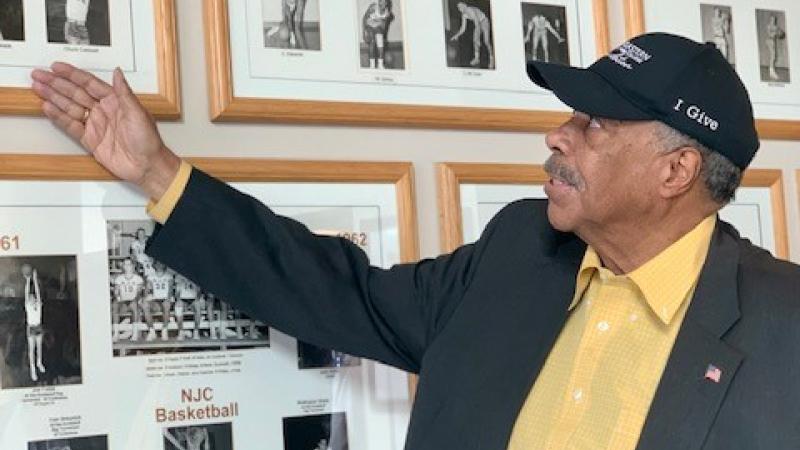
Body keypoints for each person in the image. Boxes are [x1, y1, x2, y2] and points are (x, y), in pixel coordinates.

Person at [31, 32, 800, 449]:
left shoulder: (783, 326)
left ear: (677, 170)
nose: (557, 135)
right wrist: (159, 172)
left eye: (593, 123)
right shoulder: (520, 250)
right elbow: (341, 293)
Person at [450, 2, 494, 69]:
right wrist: (456, 35)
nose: (459, 9)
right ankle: (477, 58)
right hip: (478, 24)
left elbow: (477, 24)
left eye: (460, 7)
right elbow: (463, 28)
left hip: (484, 21)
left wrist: (477, 38)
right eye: (458, 8)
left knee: (486, 41)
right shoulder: (464, 15)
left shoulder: (469, 10)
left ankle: (492, 58)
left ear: (464, 6)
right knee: (475, 40)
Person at [22, 264, 45, 382]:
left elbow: (38, 292)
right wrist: (28, 281)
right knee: (32, 349)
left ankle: (39, 363)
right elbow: (26, 293)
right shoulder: (28, 307)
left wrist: (35, 280)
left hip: (39, 327)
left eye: (33, 298)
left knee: (39, 347)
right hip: (31, 328)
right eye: (31, 298)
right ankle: (32, 370)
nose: (32, 298)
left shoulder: (39, 305)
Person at [112, 258, 144, 342]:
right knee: (115, 305)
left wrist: (135, 299)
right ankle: (115, 334)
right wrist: (118, 297)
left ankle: (135, 334)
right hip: (123, 301)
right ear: (123, 266)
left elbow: (139, 292)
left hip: (133, 300)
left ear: (133, 266)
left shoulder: (138, 278)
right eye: (125, 264)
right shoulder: (119, 278)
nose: (127, 267)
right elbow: (116, 291)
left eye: (129, 264)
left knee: (134, 305)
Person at [145, 261, 174, 341]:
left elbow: (170, 290)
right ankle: (152, 331)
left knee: (166, 305)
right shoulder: (150, 276)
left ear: (164, 265)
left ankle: (164, 330)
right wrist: (147, 296)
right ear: (154, 265)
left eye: (161, 263)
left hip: (166, 299)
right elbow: (147, 290)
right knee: (145, 305)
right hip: (155, 300)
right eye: (157, 263)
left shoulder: (169, 276)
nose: (159, 265)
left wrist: (168, 299)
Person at [362, 0, 394, 69]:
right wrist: (364, 32)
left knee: (380, 45)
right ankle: (372, 65)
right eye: (380, 1)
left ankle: (380, 64)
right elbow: (364, 19)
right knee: (372, 43)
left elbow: (383, 27)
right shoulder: (373, 7)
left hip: (377, 28)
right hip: (369, 27)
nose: (381, 3)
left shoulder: (387, 13)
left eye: (383, 2)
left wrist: (383, 35)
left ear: (386, 3)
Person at [765, 13, 786, 81]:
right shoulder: (768, 26)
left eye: (774, 19)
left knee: (774, 57)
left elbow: (780, 34)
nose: (773, 20)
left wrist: (781, 33)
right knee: (773, 56)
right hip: (769, 41)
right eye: (772, 19)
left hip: (773, 42)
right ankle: (771, 72)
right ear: (770, 19)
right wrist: (775, 33)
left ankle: (771, 70)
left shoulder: (776, 27)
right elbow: (769, 34)